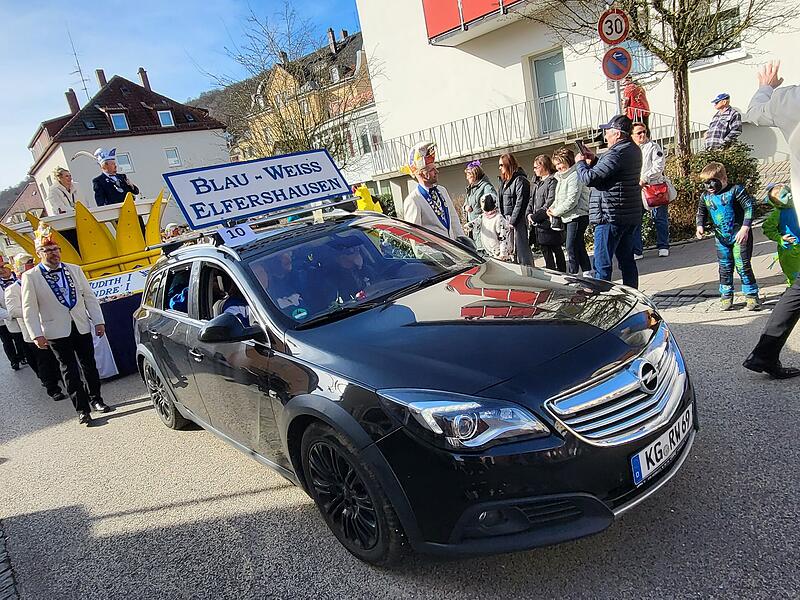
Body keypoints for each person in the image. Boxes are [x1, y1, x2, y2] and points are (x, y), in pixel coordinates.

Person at [742, 60, 800, 378]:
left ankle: (765, 353)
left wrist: (768, 87)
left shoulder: (790, 99)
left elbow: (754, 111)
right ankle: (765, 353)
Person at [22, 224, 111, 425]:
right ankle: (82, 409)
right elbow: (29, 309)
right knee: (69, 370)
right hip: (55, 330)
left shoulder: (75, 270)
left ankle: (96, 399)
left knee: (89, 365)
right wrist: (36, 334)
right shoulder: (31, 277)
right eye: (48, 250)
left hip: (80, 325)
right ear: (39, 253)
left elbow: (89, 297)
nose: (54, 253)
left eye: (56, 249)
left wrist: (98, 321)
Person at [576, 114, 643, 288]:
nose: (605, 136)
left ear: (618, 134)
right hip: (626, 214)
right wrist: (596, 160)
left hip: (609, 215)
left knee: (602, 265)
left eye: (608, 132)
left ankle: (603, 302)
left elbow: (590, 178)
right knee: (627, 261)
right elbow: (613, 174)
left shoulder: (616, 152)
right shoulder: (633, 149)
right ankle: (633, 297)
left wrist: (580, 164)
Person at [696, 162, 760, 311]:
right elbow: (701, 212)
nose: (709, 186)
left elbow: (748, 207)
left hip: (739, 235)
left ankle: (751, 295)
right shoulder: (705, 196)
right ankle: (726, 295)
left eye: (713, 181)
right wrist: (700, 226)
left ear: (724, 179)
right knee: (724, 267)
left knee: (742, 265)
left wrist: (745, 228)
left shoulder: (736, 190)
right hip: (721, 237)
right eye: (706, 183)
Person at [5, 253, 65, 400]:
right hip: (32, 331)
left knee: (60, 357)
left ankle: (67, 382)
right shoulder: (13, 289)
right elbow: (13, 310)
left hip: (51, 326)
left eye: (32, 262)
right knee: (43, 360)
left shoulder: (40, 281)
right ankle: (52, 388)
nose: (32, 265)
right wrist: (33, 311)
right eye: (28, 264)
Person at [401, 142, 465, 240]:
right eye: (432, 169)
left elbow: (454, 219)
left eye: (435, 168)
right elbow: (415, 237)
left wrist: (463, 241)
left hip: (452, 251)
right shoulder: (413, 200)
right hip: (434, 254)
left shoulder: (442, 190)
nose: (437, 171)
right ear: (422, 174)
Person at [548, 147, 592, 277]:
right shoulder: (562, 177)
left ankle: (573, 274)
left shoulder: (574, 175)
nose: (558, 167)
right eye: (556, 165)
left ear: (568, 161)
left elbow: (572, 199)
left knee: (570, 246)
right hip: (568, 216)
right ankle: (587, 271)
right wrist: (552, 208)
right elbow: (559, 197)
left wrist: (556, 212)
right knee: (578, 245)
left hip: (577, 215)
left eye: (560, 164)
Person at [632, 123, 672, 258]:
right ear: (632, 136)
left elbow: (658, 166)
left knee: (660, 218)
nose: (642, 134)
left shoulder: (654, 147)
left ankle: (663, 246)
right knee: (635, 220)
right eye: (639, 133)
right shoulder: (630, 149)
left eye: (644, 131)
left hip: (655, 187)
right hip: (637, 189)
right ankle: (637, 250)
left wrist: (645, 178)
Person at [527, 155, 565, 272]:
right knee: (546, 251)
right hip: (539, 225)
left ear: (543, 166)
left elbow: (550, 202)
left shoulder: (552, 181)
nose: (534, 170)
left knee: (556, 249)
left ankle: (563, 273)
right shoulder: (536, 183)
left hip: (549, 221)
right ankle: (552, 272)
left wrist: (535, 217)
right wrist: (528, 214)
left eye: (536, 167)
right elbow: (531, 201)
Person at [498, 153, 533, 266]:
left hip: (518, 219)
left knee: (522, 248)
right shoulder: (504, 182)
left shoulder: (520, 180)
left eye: (502, 165)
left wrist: (513, 220)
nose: (500, 168)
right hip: (507, 218)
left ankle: (528, 270)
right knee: (511, 248)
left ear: (508, 165)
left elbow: (520, 202)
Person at [762, 184, 800, 286]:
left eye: (789, 192)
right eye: (784, 196)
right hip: (791, 249)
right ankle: (793, 292)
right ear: (777, 202)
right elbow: (767, 228)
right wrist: (780, 238)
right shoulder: (777, 214)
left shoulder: (797, 205)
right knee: (794, 275)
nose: (789, 196)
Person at [463, 160, 496, 252]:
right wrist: (466, 207)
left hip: (484, 229)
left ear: (474, 174)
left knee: (485, 253)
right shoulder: (471, 189)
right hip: (473, 230)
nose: (467, 178)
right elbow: (465, 203)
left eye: (468, 175)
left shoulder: (486, 187)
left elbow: (492, 205)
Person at [0, 259, 25, 370]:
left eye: (3, 267)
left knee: (22, 340)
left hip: (23, 316)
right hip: (5, 319)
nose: (2, 270)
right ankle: (14, 360)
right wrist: (10, 314)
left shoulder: (21, 278)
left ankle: (23, 355)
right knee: (7, 340)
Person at [478, 195, 513, 260]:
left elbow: (503, 237)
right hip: (490, 251)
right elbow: (476, 222)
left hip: (500, 252)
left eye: (482, 204)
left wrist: (503, 253)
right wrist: (469, 226)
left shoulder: (498, 218)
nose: (481, 206)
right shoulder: (483, 216)